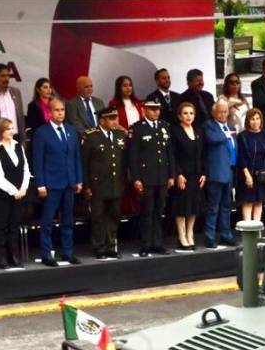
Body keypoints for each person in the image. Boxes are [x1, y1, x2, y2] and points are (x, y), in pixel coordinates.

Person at [34, 98, 83, 266]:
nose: (60, 113)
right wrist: (40, 184)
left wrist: (79, 179)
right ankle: (47, 254)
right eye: (57, 110)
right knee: (47, 221)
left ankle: (67, 252)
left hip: (69, 182)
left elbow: (76, 157)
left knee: (68, 220)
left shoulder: (71, 130)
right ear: (50, 112)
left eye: (62, 110)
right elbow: (37, 161)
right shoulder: (42, 132)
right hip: (51, 184)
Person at [82, 107, 128, 260]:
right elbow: (85, 163)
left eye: (116, 118)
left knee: (114, 215)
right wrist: (87, 185)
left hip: (116, 183)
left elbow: (124, 160)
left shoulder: (121, 135)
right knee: (98, 216)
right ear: (102, 120)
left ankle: (111, 245)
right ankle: (99, 247)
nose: (115, 121)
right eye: (111, 118)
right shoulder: (91, 137)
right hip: (98, 184)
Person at [129, 101, 174, 256]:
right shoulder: (137, 128)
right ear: (144, 110)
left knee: (159, 211)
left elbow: (169, 153)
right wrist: (136, 178)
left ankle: (158, 243)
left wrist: (171, 175)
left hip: (162, 176)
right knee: (147, 212)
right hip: (146, 177)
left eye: (157, 109)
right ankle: (146, 244)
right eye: (152, 109)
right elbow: (133, 156)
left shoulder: (164, 126)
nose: (155, 112)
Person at [0, 117, 31, 269]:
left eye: (12, 128)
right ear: (0, 132)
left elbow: (25, 169)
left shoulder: (19, 146)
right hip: (2, 194)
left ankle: (14, 255)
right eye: (8, 129)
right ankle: (2, 257)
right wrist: (13, 191)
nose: (12, 131)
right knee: (2, 226)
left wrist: (23, 188)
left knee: (14, 225)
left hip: (19, 192)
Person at [169, 102, 205, 251]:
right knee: (182, 207)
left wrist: (204, 173)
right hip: (183, 175)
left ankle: (190, 234)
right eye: (185, 113)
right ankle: (181, 236)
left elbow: (202, 154)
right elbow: (172, 155)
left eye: (191, 113)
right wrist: (178, 174)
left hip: (196, 175)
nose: (188, 116)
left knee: (194, 207)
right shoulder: (175, 131)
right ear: (179, 116)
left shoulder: (197, 130)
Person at [203, 100, 237, 248]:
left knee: (226, 206)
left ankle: (226, 234)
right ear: (214, 113)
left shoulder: (230, 126)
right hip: (216, 172)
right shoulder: (209, 125)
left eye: (225, 112)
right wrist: (226, 134)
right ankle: (209, 237)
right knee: (213, 207)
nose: (223, 114)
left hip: (229, 171)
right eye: (220, 112)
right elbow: (212, 139)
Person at [236, 108, 265, 222]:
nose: (255, 122)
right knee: (248, 203)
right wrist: (247, 176)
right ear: (248, 121)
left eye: (257, 119)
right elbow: (241, 157)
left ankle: (257, 232)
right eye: (252, 119)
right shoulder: (242, 136)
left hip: (263, 175)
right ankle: (247, 232)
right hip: (248, 174)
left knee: (259, 202)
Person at [181, 68, 216, 135]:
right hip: (195, 132)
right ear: (189, 83)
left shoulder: (208, 95)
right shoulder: (183, 98)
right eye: (197, 81)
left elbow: (214, 113)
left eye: (201, 80)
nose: (200, 83)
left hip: (211, 130)